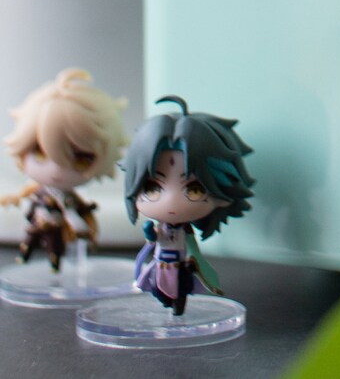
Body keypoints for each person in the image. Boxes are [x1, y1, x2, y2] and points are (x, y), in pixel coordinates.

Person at [124, 96, 254, 315]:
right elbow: (152, 240)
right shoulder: (161, 228)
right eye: (153, 188)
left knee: (181, 290)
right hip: (161, 264)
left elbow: (192, 248)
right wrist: (150, 234)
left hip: (180, 266)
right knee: (158, 289)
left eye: (194, 190)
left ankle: (177, 308)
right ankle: (168, 303)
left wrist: (194, 261)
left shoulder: (186, 232)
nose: (171, 201)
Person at [2, 68, 127, 270]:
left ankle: (55, 264)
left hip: (57, 225)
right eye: (40, 153)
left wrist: (82, 220)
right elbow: (24, 194)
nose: (56, 170)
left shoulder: (70, 199)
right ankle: (25, 256)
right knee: (31, 238)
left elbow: (78, 211)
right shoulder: (38, 190)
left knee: (55, 245)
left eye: (80, 158)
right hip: (39, 221)